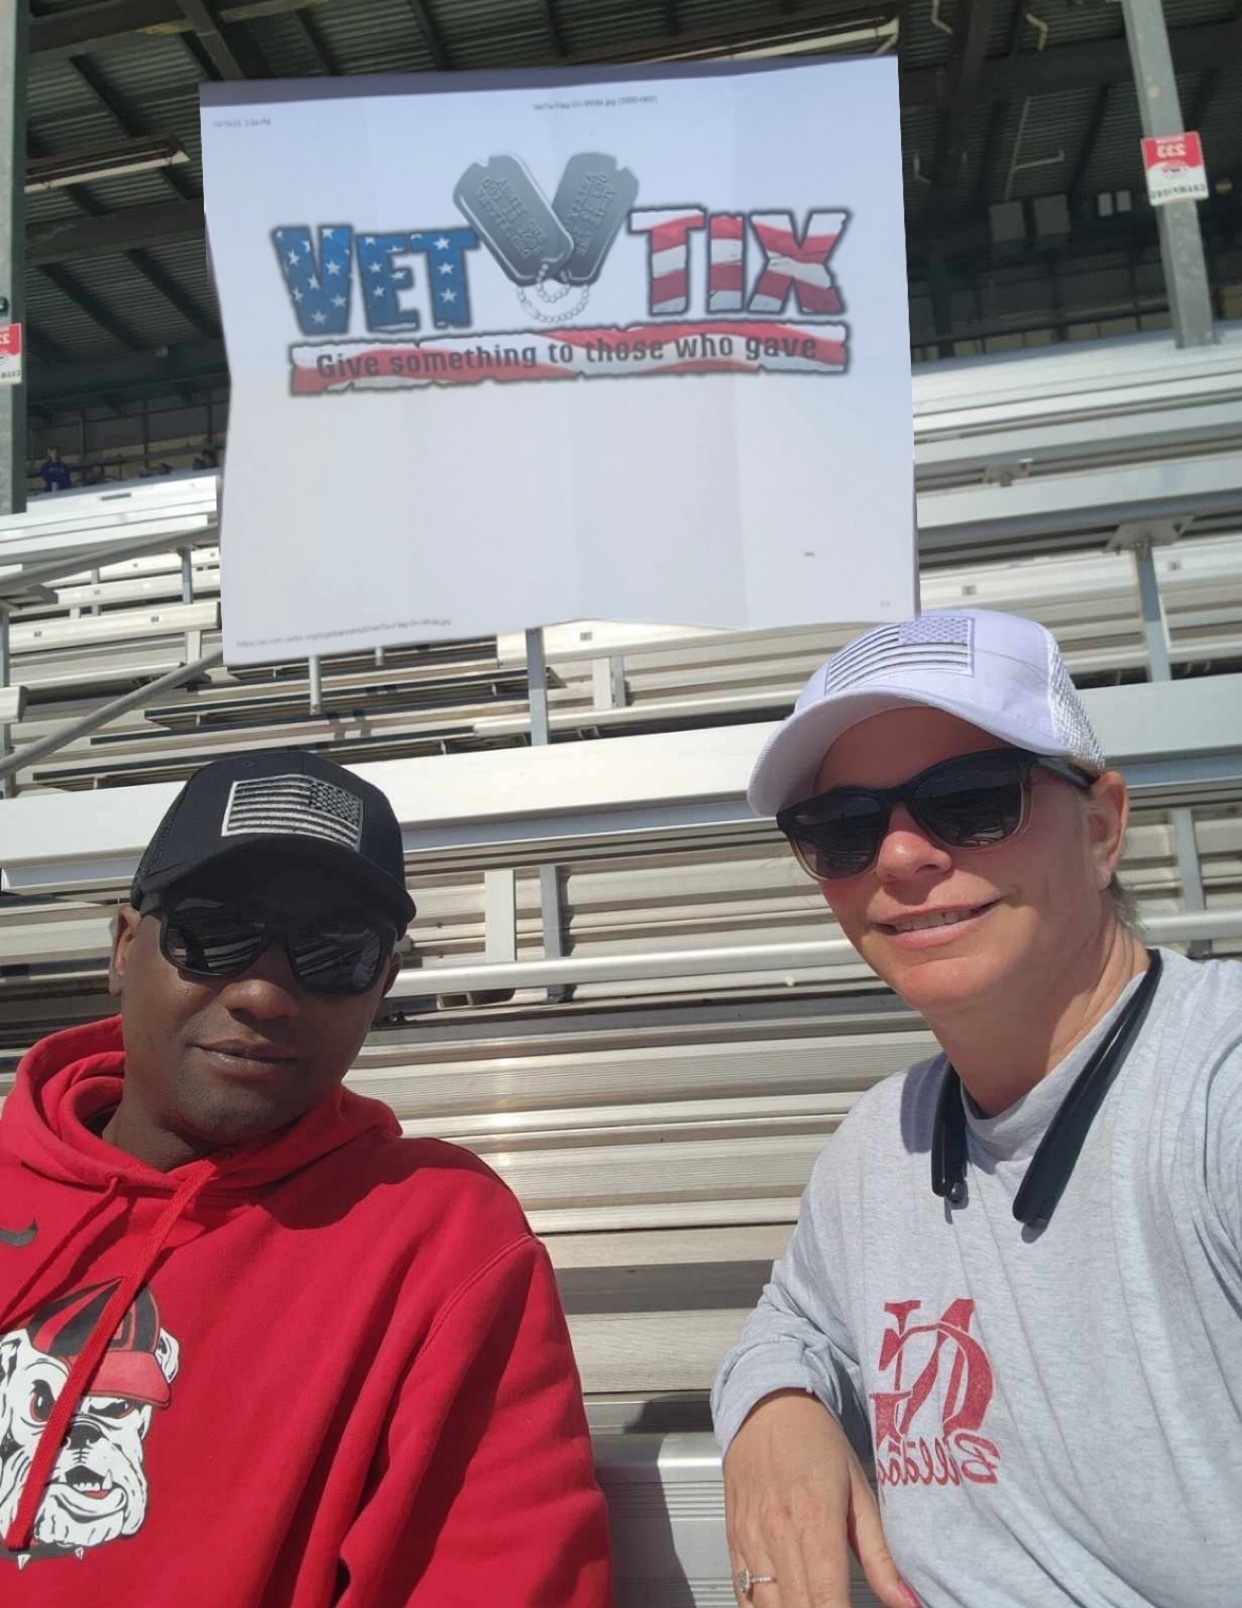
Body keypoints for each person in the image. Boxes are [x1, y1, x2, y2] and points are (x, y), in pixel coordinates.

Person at [711, 609, 1241, 1608]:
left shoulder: (1216, 1090)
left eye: (972, 800)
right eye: (844, 828)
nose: (900, 857)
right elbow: (794, 1324)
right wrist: (774, 1406)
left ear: (1101, 827)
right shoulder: (881, 1144)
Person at [0, 749, 612, 1604]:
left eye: (335, 952)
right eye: (214, 930)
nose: (265, 994)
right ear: (125, 948)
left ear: (382, 987)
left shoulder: (438, 1241)